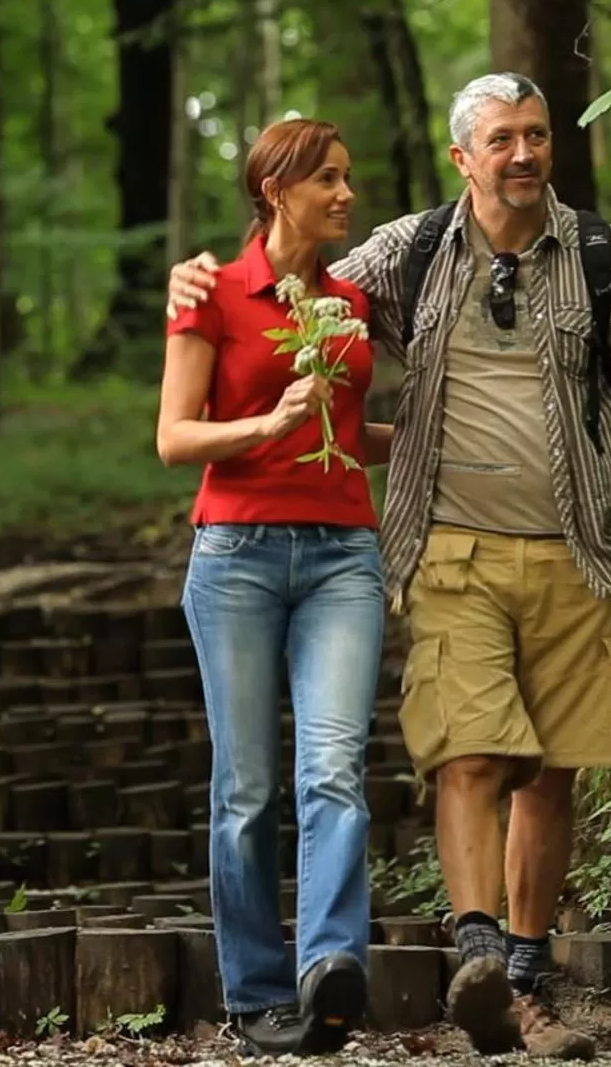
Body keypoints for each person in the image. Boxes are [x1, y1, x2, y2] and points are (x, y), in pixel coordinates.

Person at [165, 73, 611, 1059]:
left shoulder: (607, 258)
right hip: (441, 546)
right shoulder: (403, 254)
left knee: (546, 770)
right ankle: (469, 950)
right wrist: (196, 282)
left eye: (536, 135)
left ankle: (509, 976)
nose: (523, 153)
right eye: (502, 139)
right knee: (465, 752)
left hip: (577, 547)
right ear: (464, 157)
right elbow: (288, 290)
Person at [155, 117, 392, 1057]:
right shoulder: (212, 291)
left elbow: (346, 429)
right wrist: (263, 423)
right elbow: (174, 438)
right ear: (276, 191)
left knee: (332, 769)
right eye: (328, 180)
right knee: (247, 788)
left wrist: (425, 441)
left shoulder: (348, 299)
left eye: (347, 176)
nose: (346, 195)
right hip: (236, 557)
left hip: (343, 555)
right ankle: (254, 992)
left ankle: (331, 970)